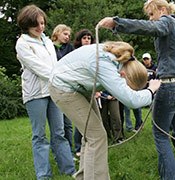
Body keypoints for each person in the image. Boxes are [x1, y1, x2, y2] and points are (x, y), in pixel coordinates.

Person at [98, 1, 175, 179]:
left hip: (171, 86)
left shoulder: (166, 22)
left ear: (163, 10)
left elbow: (148, 28)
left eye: (151, 14)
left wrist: (117, 23)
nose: (150, 19)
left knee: (161, 134)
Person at [49, 41, 161, 180]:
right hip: (63, 88)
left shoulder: (120, 59)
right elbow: (132, 101)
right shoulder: (106, 64)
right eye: (129, 87)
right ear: (123, 75)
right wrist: (151, 90)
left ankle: (84, 177)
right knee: (97, 136)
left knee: (91, 136)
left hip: (77, 86)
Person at [15, 5, 75, 179]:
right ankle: (44, 175)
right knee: (39, 136)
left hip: (53, 91)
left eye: (42, 23)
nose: (40, 27)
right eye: (36, 24)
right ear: (26, 24)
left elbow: (55, 65)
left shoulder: (47, 41)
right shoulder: (23, 43)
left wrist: (62, 78)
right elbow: (39, 68)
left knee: (59, 132)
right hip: (35, 95)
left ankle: (69, 169)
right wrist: (61, 78)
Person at [51, 24, 74, 152]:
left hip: (67, 87)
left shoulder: (69, 48)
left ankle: (69, 150)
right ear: (57, 33)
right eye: (65, 34)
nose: (67, 37)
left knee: (68, 123)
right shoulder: (49, 47)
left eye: (69, 35)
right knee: (57, 126)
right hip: (54, 87)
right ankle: (57, 150)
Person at [73, 28, 95, 157]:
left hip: (90, 88)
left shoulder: (93, 53)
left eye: (89, 38)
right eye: (84, 38)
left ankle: (88, 145)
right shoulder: (76, 53)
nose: (87, 40)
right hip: (78, 88)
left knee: (90, 118)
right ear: (80, 40)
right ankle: (78, 147)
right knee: (80, 119)